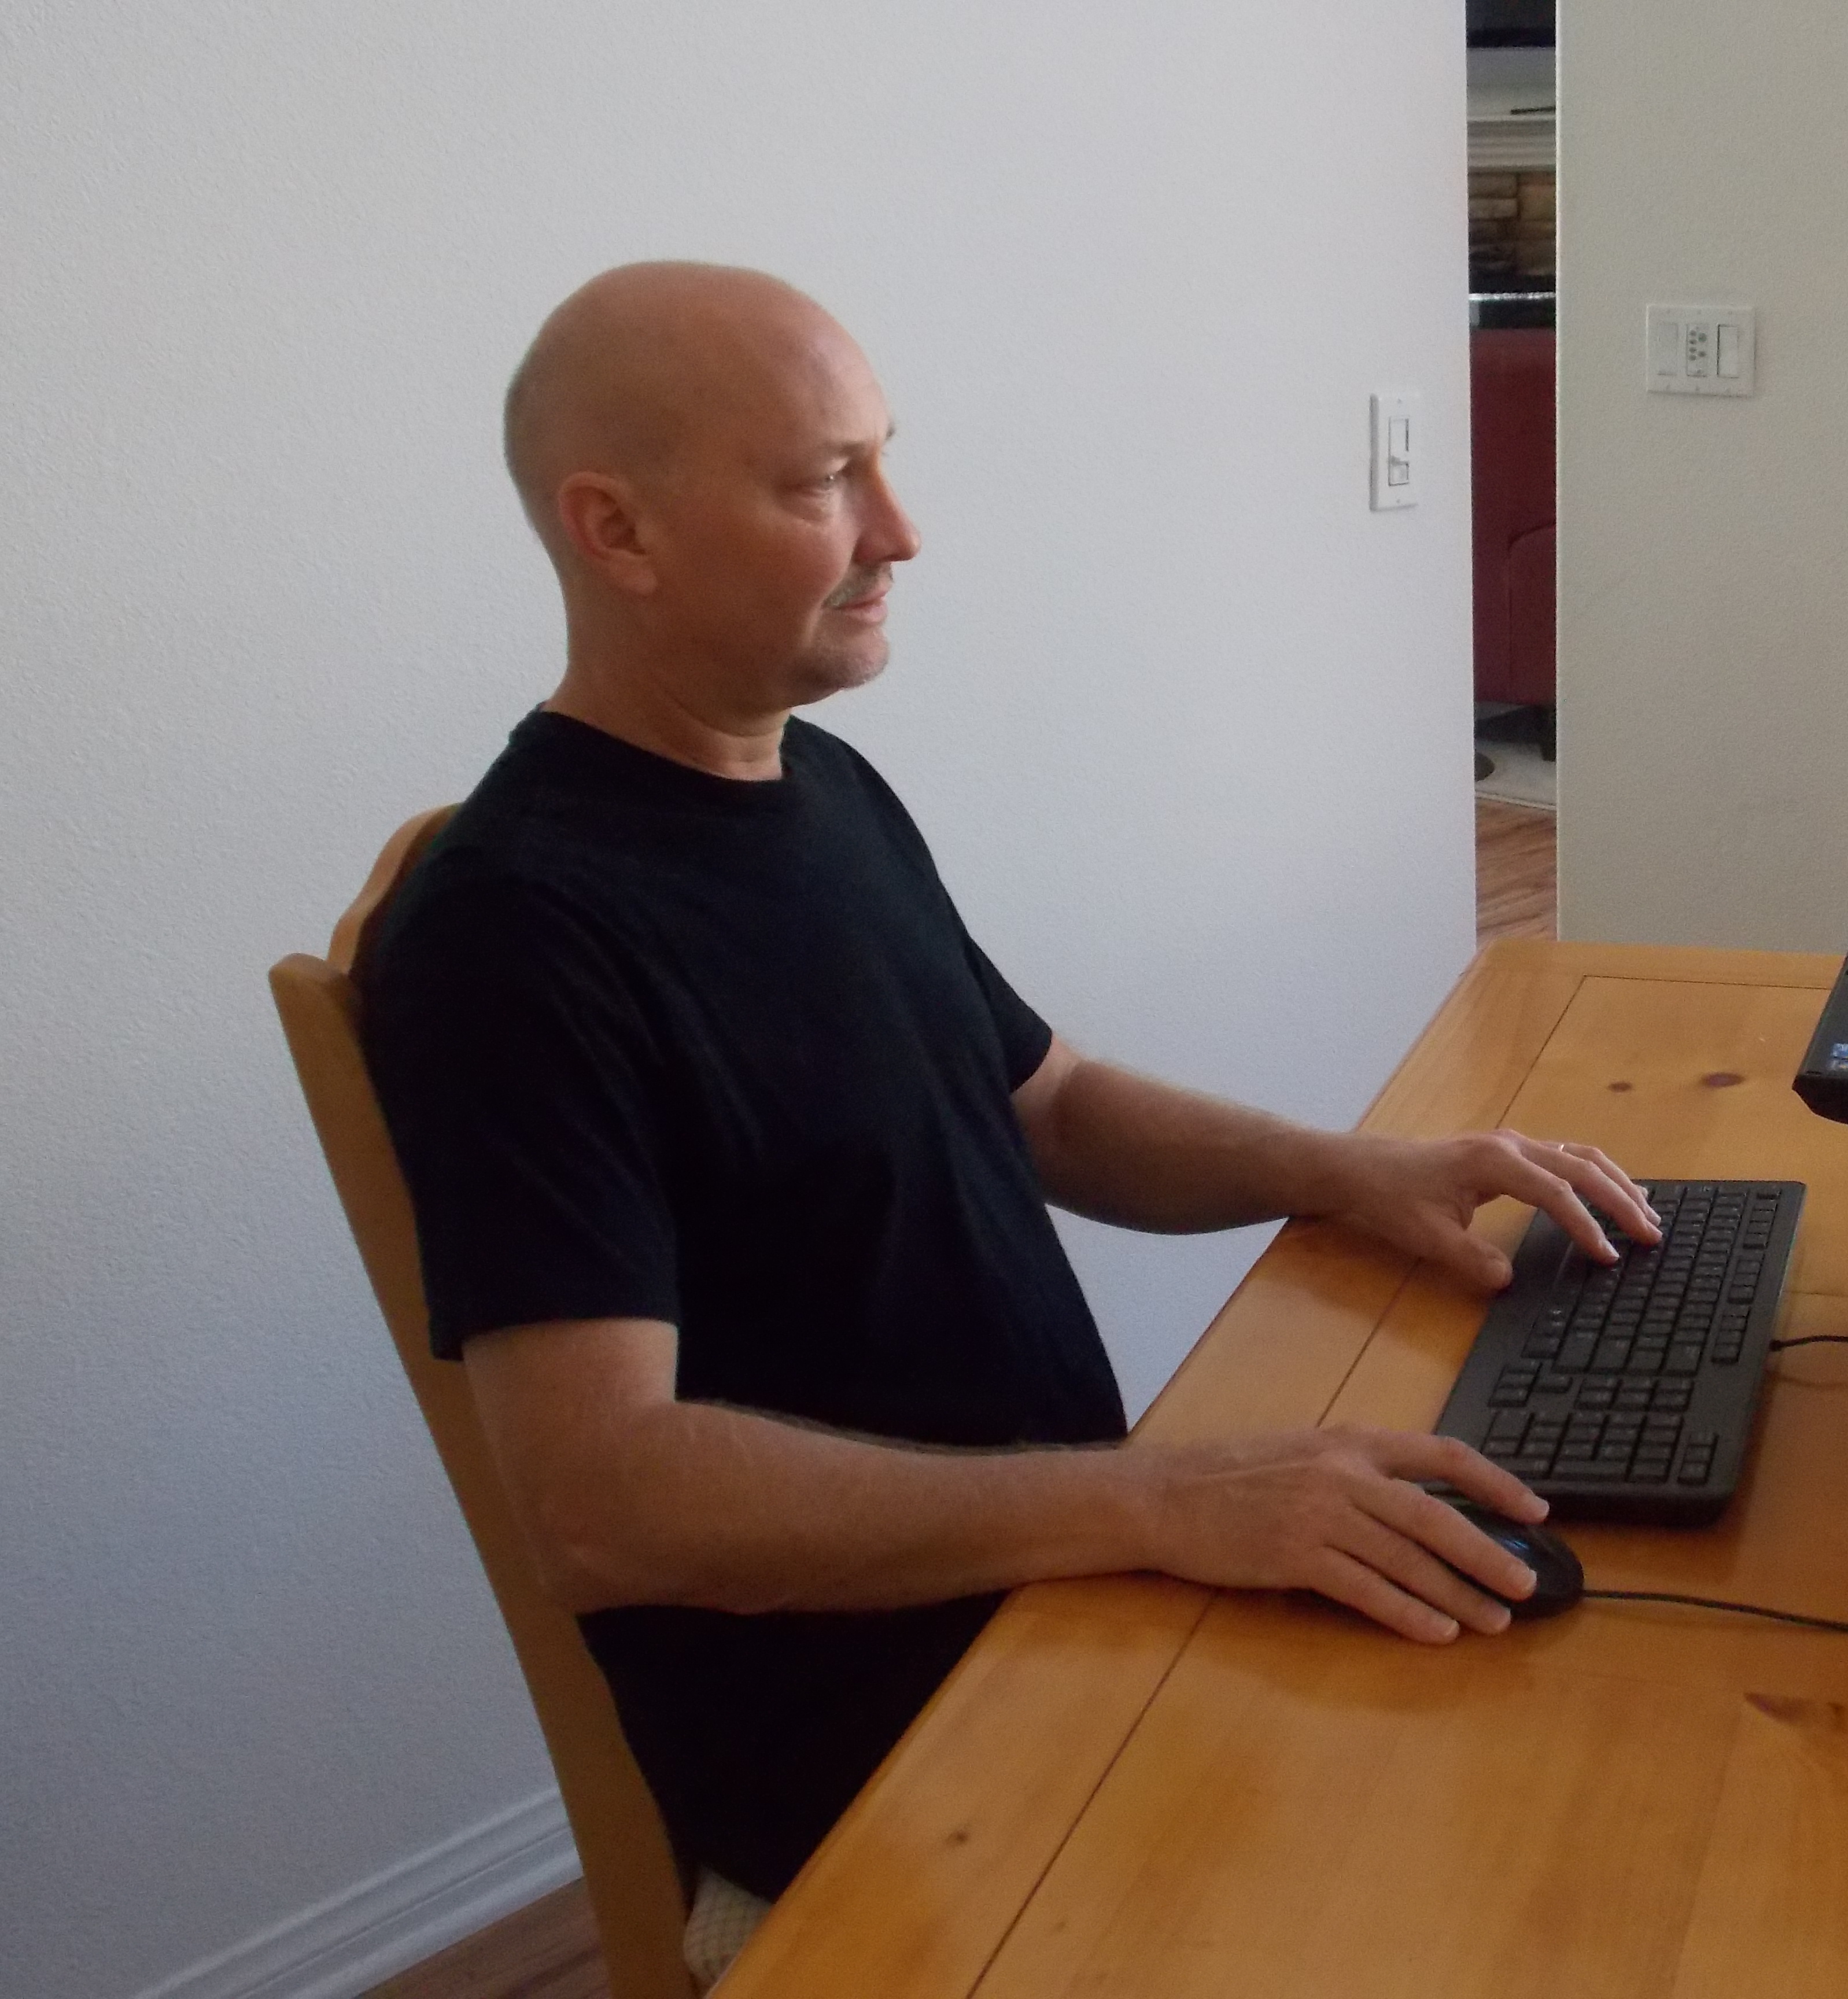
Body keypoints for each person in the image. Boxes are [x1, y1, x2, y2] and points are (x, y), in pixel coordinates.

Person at [361, 262, 1657, 1977]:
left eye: (884, 460)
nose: (901, 532)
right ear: (619, 530)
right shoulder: (510, 934)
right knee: (1556, 1861)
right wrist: (1155, 1504)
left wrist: (1359, 1173)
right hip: (900, 1756)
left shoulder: (811, 780)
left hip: (1065, 1604)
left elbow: (1048, 1101)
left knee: (1617, 1709)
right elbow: (608, 1503)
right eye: (825, 482)